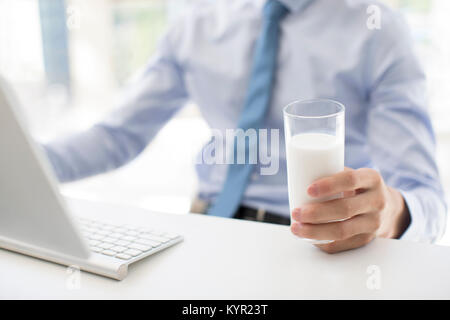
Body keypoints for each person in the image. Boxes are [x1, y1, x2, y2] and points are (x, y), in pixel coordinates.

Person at [43, 0, 447, 253]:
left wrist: (389, 213)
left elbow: (427, 201)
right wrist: (17, 162)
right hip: (202, 229)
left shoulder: (378, 30)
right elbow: (116, 137)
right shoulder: (196, 22)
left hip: (318, 241)